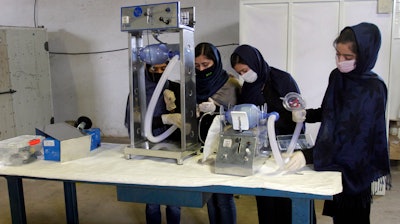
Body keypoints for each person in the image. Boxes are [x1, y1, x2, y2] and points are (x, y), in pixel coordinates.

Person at [286, 22, 391, 224]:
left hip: (356, 167)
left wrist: (309, 155)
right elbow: (331, 112)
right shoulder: (337, 76)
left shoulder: (373, 88)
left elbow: (355, 138)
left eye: (348, 57)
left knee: (354, 218)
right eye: (338, 55)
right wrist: (306, 114)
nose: (340, 62)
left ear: (365, 55)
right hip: (337, 163)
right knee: (339, 217)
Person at [230, 44, 309, 224]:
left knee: (286, 198)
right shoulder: (249, 87)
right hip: (262, 150)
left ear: (255, 62)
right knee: (265, 198)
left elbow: (297, 115)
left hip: (286, 148)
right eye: (239, 73)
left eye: (245, 70)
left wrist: (275, 120)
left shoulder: (283, 79)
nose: (244, 75)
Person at [124, 62, 181, 224]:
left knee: (174, 202)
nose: (159, 72)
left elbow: (186, 118)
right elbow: (133, 124)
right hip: (149, 149)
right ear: (146, 69)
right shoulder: (138, 92)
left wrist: (173, 108)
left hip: (173, 149)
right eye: (154, 69)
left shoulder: (174, 87)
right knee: (152, 201)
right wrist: (164, 119)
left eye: (164, 69)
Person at [195, 42, 241, 224]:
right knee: (210, 196)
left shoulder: (231, 84)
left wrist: (217, 108)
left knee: (223, 197)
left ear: (216, 61)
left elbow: (241, 114)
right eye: (197, 66)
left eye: (206, 65)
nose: (201, 69)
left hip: (225, 144)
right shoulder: (194, 83)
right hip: (202, 144)